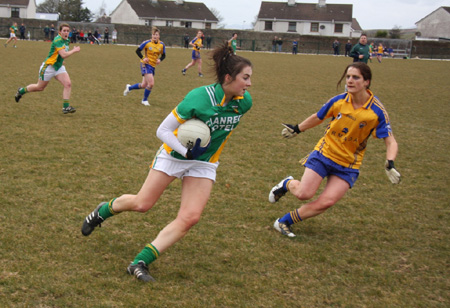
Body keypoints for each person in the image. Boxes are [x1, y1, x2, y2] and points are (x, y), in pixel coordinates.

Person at [81, 42, 253, 283]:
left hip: (204, 164)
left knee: (190, 217)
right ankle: (103, 210)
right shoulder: (199, 98)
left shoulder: (243, 103)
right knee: (142, 204)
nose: (249, 84)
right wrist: (185, 150)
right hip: (174, 155)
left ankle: (140, 262)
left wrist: (198, 155)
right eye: (245, 78)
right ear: (228, 77)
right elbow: (162, 130)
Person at [268, 62, 401, 238]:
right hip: (324, 154)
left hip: (348, 164)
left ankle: (284, 221)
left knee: (327, 202)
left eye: (356, 77)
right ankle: (287, 184)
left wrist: (390, 162)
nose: (350, 81)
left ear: (367, 81)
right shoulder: (339, 100)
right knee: (304, 194)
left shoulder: (376, 111)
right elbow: (318, 116)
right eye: (348, 77)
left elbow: (391, 141)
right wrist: (298, 128)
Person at [14, 23, 81, 114]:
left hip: (58, 67)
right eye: (64, 31)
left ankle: (66, 107)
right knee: (40, 87)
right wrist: (74, 50)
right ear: (60, 32)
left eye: (67, 31)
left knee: (68, 84)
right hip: (48, 67)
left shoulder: (66, 40)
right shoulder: (58, 40)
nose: (66, 32)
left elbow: (60, 54)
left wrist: (61, 61)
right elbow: (63, 54)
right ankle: (21, 91)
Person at [123, 27, 166, 107]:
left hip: (153, 66)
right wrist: (143, 58)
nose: (155, 36)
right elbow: (137, 50)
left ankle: (129, 88)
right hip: (145, 65)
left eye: (156, 35)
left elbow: (164, 55)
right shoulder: (147, 43)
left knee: (144, 85)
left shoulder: (161, 45)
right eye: (153, 34)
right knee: (151, 83)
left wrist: (160, 60)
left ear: (159, 36)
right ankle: (144, 100)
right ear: (151, 35)